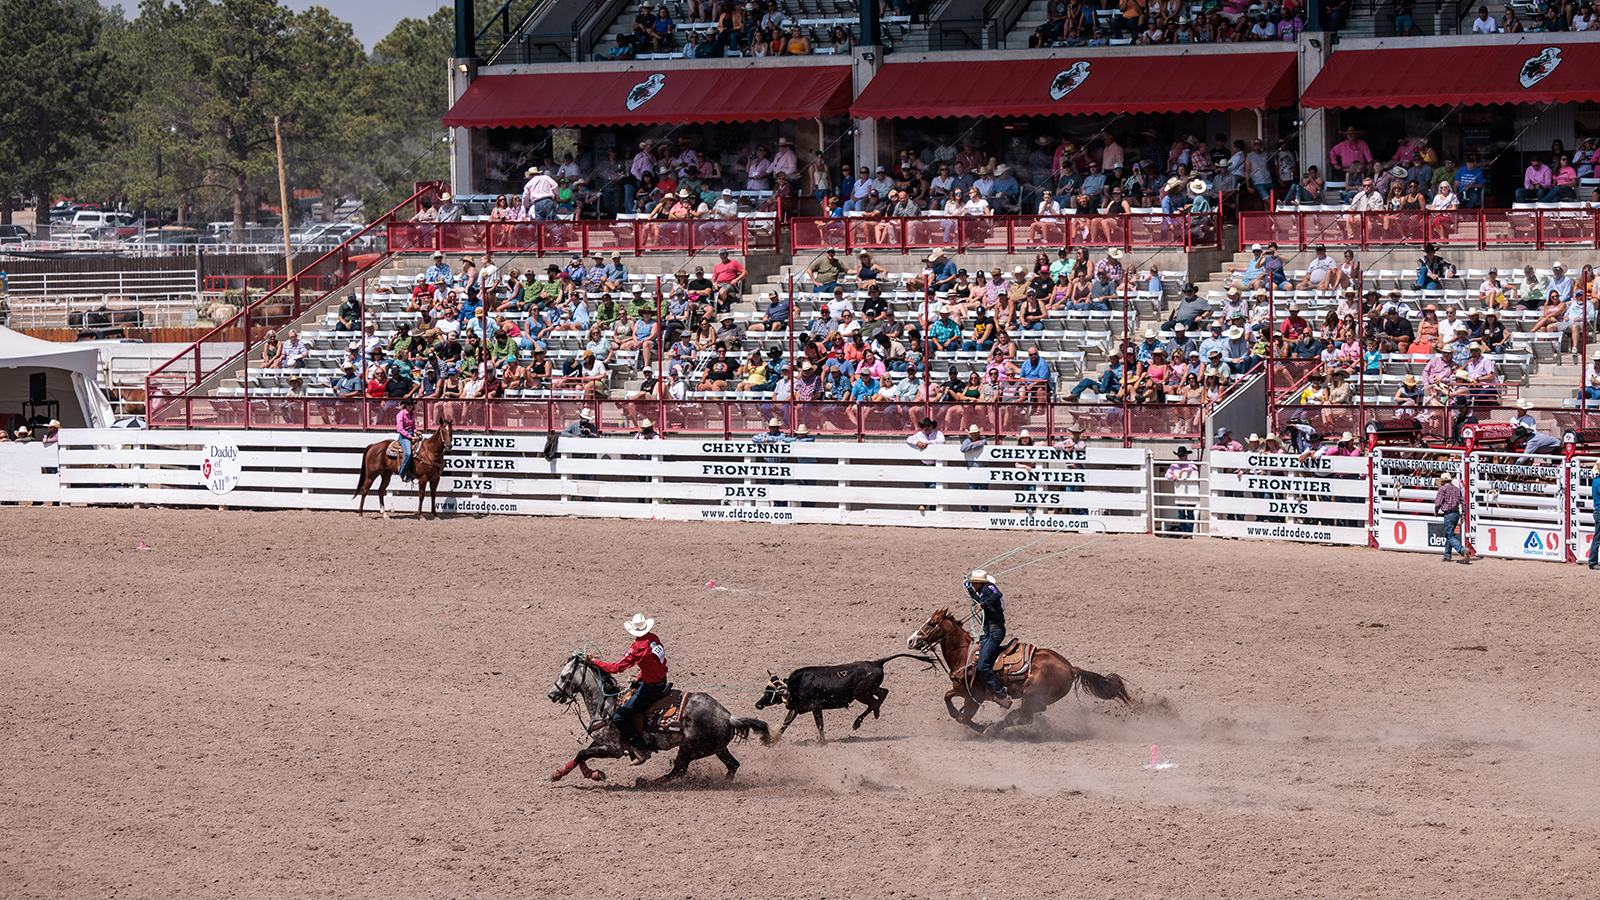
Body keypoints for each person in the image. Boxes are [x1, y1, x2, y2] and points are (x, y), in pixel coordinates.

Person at [591, 613, 670, 765]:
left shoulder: (637, 648)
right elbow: (655, 662)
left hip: (651, 688)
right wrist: (640, 677)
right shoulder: (653, 638)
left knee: (619, 717)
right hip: (661, 680)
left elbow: (615, 668)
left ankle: (641, 749)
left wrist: (594, 661)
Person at [965, 569, 1011, 708]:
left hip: (995, 631)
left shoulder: (989, 587)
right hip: (989, 631)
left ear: (979, 582)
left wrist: (983, 605)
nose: (972, 585)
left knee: (983, 665)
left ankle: (1000, 693)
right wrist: (969, 590)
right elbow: (978, 600)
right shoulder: (982, 591)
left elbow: (997, 594)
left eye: (973, 583)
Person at [1434, 472, 1470, 564]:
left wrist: (1436, 511)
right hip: (1456, 513)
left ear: (1443, 481)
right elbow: (1464, 504)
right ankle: (1447, 555)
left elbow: (1438, 502)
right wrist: (1463, 516)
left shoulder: (1442, 489)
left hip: (1448, 514)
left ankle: (1462, 550)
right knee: (1449, 534)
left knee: (1450, 535)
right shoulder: (1457, 489)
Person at [395, 398, 419, 481]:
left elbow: (413, 427)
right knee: (408, 454)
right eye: (409, 404)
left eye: (411, 404)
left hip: (412, 434)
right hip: (404, 436)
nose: (410, 406)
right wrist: (410, 437)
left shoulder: (412, 414)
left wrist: (416, 432)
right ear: (405, 405)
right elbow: (400, 429)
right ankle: (403, 473)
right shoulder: (400, 414)